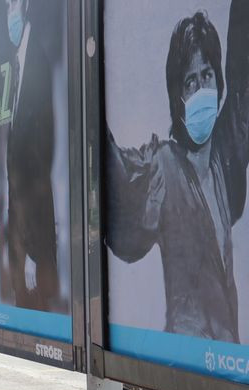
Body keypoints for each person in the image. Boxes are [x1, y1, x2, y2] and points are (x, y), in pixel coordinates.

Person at [106, 3, 249, 342]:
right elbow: (115, 185)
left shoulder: (223, 157)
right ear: (178, 96)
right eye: (190, 82)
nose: (201, 89)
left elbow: (243, 66)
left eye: (207, 76)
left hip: (229, 361)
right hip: (184, 356)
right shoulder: (162, 165)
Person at [5, 0, 59, 312]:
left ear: (26, 5)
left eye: (12, 4)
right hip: (23, 248)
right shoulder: (19, 66)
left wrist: (32, 254)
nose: (8, 12)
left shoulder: (36, 63)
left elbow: (37, 169)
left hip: (33, 250)